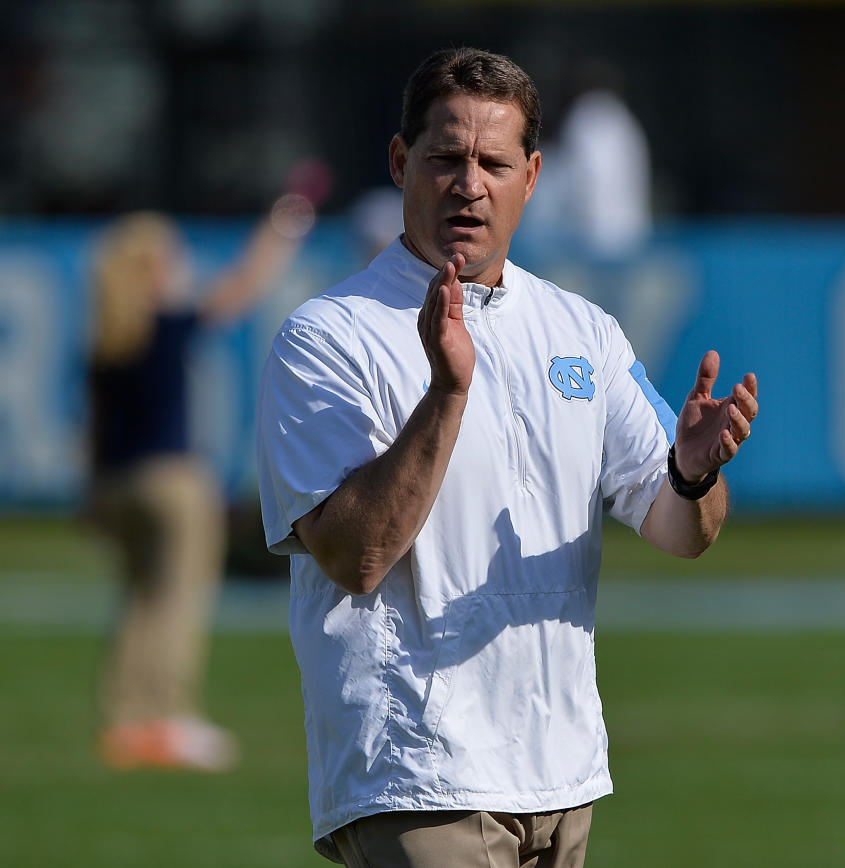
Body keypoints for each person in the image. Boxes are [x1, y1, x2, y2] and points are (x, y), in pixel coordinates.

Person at [256, 47, 758, 866]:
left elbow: (680, 530)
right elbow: (355, 554)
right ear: (399, 162)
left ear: (531, 175)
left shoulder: (580, 330)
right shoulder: (328, 336)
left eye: (493, 162)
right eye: (446, 158)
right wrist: (447, 395)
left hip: (560, 776)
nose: (469, 183)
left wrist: (692, 473)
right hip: (416, 774)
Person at [89, 184, 317, 772]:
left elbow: (91, 433)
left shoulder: (108, 339)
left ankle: (125, 718)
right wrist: (285, 224)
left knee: (138, 601)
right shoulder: (162, 324)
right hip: (173, 483)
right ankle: (168, 717)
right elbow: (243, 285)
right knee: (178, 601)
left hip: (119, 486)